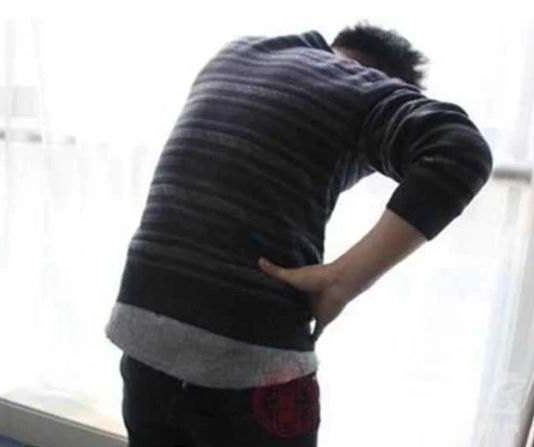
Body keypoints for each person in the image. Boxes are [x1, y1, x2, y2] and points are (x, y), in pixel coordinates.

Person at [105, 21, 493, 447]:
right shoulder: (366, 87)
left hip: (141, 329)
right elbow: (462, 151)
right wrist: (343, 281)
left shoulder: (239, 52)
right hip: (248, 354)